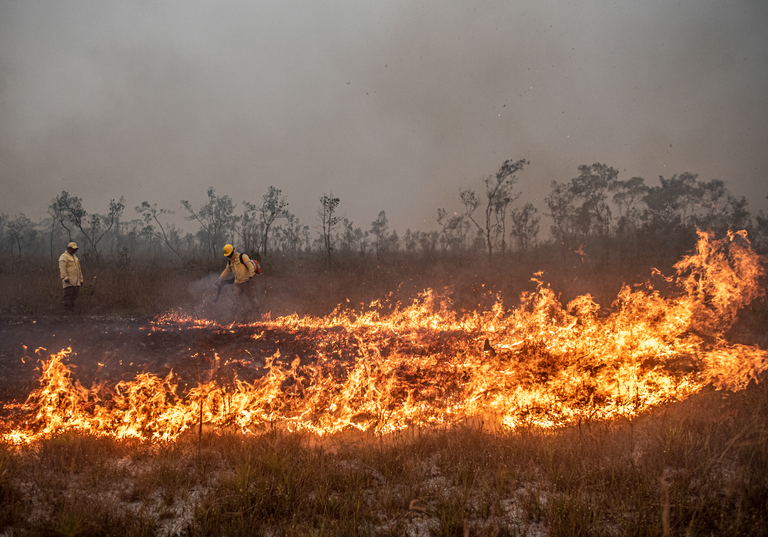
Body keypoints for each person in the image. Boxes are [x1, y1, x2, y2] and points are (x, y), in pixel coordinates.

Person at [216, 244, 261, 320]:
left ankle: (258, 315)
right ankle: (232, 318)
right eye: (228, 256)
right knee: (235, 300)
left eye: (230, 255)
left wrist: (250, 278)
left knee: (252, 299)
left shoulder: (243, 257)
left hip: (247, 282)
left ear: (233, 251)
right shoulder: (230, 262)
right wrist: (219, 279)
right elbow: (226, 270)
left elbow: (251, 267)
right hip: (238, 283)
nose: (229, 257)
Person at [59, 241, 83, 313]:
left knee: (74, 296)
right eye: (73, 249)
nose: (74, 251)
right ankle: (67, 310)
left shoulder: (75, 258)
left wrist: (80, 280)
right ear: (68, 249)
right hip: (68, 281)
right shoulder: (64, 257)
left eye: (75, 249)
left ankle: (72, 310)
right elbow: (62, 267)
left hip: (76, 281)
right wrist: (65, 277)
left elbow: (79, 270)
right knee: (67, 296)